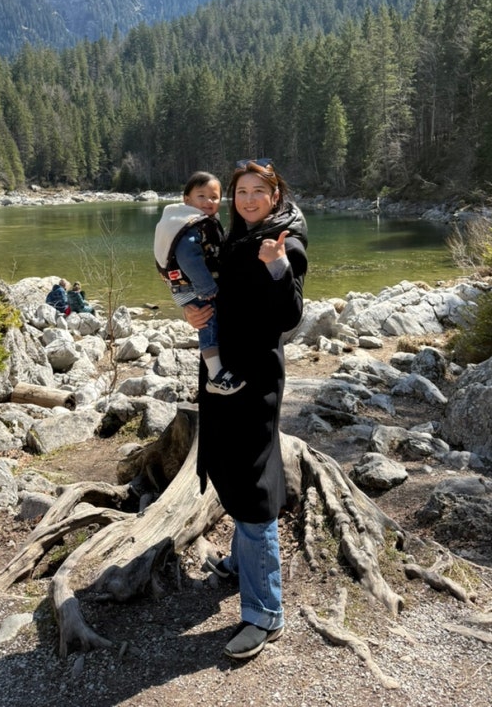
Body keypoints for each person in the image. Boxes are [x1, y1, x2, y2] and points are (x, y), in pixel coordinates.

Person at [185, 158, 308, 661]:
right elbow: (215, 292)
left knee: (253, 483)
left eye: (260, 190)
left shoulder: (283, 242)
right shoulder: (237, 237)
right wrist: (196, 311)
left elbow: (291, 315)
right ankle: (242, 565)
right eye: (242, 191)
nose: (249, 198)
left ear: (275, 196)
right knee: (230, 467)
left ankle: (264, 613)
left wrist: (277, 266)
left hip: (254, 377)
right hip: (225, 373)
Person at [155, 172, 244, 395]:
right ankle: (215, 374)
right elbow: (188, 257)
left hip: (184, 284)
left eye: (214, 197)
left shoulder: (192, 222)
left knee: (207, 322)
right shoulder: (192, 226)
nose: (208, 202)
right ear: (187, 200)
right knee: (208, 323)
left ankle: (216, 372)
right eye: (201, 196)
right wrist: (207, 288)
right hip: (194, 285)